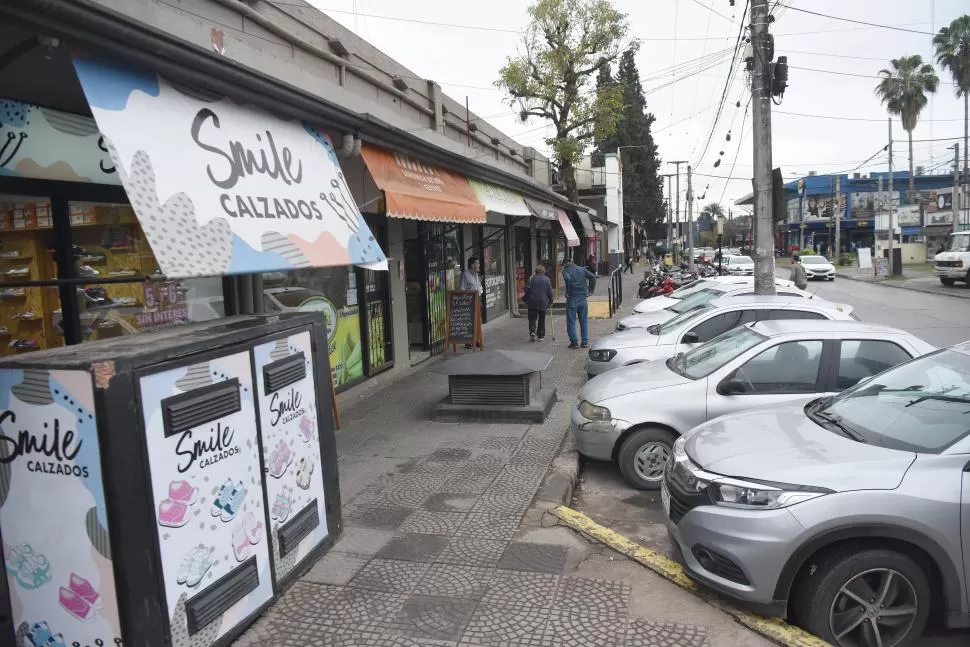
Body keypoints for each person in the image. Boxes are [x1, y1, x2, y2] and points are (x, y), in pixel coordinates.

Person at [562, 257, 597, 349]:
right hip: (582, 298)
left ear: (565, 265)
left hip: (572, 298)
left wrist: (568, 292)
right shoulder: (582, 269)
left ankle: (574, 342)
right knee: (583, 320)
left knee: (571, 321)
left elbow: (568, 279)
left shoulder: (565, 271)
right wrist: (591, 291)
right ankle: (585, 342)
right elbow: (593, 277)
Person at [524, 265, 553, 342]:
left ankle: (533, 332)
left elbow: (526, 289)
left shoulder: (531, 278)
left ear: (536, 271)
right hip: (543, 303)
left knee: (532, 319)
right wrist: (551, 300)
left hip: (532, 302)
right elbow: (549, 292)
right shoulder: (547, 279)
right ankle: (540, 336)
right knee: (542, 320)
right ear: (543, 271)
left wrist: (525, 299)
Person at [459, 257, 483, 348]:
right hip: (468, 302)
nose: (479, 265)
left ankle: (476, 340)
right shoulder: (465, 275)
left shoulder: (476, 274)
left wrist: (480, 291)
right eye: (477, 263)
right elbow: (461, 289)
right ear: (472, 265)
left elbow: (478, 286)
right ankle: (468, 341)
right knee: (469, 322)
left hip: (477, 300)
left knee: (477, 321)